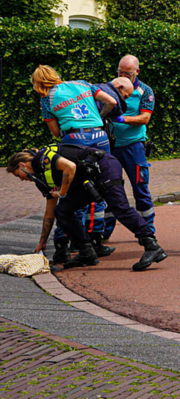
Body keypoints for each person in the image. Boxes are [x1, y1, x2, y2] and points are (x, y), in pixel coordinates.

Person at [6, 144, 166, 271]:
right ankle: (86, 252)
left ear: (22, 166)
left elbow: (70, 167)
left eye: (17, 175)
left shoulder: (41, 158)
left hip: (104, 166)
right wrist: (42, 241)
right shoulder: (41, 178)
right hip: (89, 178)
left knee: (119, 207)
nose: (20, 180)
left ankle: (152, 246)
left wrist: (62, 192)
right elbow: (49, 213)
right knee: (62, 211)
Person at [33, 65, 120, 264]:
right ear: (56, 75)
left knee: (73, 192)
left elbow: (55, 132)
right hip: (100, 136)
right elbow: (111, 101)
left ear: (38, 83)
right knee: (100, 188)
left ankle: (64, 245)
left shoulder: (47, 99)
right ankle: (95, 239)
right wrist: (99, 117)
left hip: (75, 141)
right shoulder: (82, 84)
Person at [109, 56, 157, 238]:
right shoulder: (110, 87)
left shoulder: (145, 90)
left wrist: (123, 119)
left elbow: (145, 118)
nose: (122, 75)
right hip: (110, 146)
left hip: (133, 146)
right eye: (119, 72)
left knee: (140, 187)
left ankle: (148, 231)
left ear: (136, 72)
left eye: (126, 73)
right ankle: (103, 233)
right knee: (108, 189)